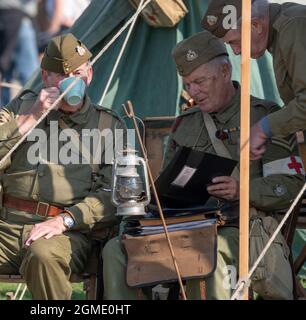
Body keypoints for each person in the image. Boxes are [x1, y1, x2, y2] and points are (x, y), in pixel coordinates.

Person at [101, 31, 304, 300]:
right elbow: (168, 186)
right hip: (185, 226)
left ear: (224, 70)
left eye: (199, 82)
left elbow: (292, 186)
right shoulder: (186, 124)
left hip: (240, 228)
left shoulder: (265, 117)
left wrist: (244, 190)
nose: (193, 92)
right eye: (187, 85)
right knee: (117, 250)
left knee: (209, 252)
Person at [0, 33, 123, 300]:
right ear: (46, 77)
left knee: (43, 255)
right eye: (61, 76)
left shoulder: (107, 125)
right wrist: (32, 117)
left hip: (65, 234)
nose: (70, 82)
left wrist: (64, 220)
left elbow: (112, 193)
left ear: (88, 75)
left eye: (76, 73)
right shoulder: (22, 108)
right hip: (4, 228)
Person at [200, 0, 306, 160]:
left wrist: (262, 129)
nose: (235, 52)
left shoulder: (294, 27)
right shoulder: (282, 31)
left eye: (234, 42)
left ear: (255, 25)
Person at [0, 0, 40, 107]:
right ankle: (30, 114)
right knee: (31, 78)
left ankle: (5, 115)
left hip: (2, 21)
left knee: (6, 75)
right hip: (18, 23)